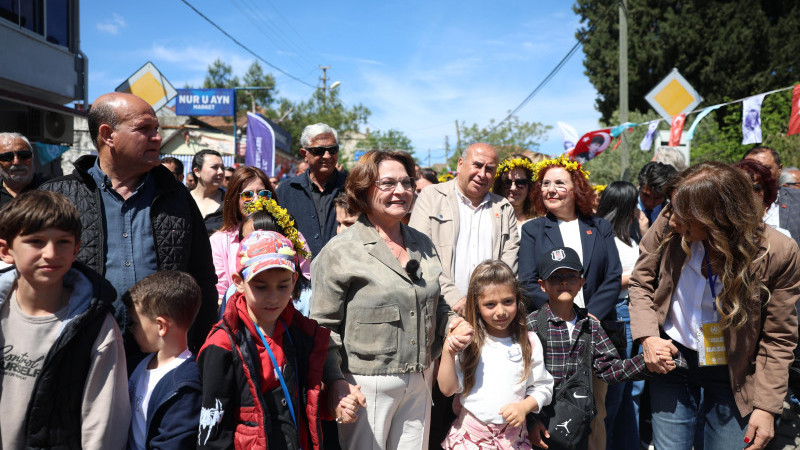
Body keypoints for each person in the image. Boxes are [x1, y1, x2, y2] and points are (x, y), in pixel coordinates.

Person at [629, 161, 800, 450]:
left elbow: (779, 338)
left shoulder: (778, 252)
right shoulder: (673, 220)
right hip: (672, 361)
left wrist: (767, 406)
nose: (672, 222)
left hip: (735, 374)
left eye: (684, 217)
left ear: (718, 218)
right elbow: (641, 281)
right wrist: (648, 337)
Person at [311, 149, 474, 449]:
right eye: (388, 183)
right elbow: (323, 327)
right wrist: (335, 381)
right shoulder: (340, 251)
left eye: (407, 183)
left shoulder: (422, 243)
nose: (400, 191)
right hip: (365, 384)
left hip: (420, 379)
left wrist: (452, 324)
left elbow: (436, 303)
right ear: (363, 189)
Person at [39, 92, 218, 355]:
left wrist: (202, 349)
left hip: (159, 359)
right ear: (108, 134)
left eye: (156, 128)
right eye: (144, 129)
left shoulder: (176, 197)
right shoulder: (59, 196)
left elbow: (202, 277)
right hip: (81, 354)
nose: (156, 137)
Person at [0, 190, 129, 449]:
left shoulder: (95, 326)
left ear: (76, 249)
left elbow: (103, 423)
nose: (50, 253)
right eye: (36, 241)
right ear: (6, 250)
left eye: (62, 242)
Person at [198, 231, 344, 449]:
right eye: (261, 286)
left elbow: (307, 400)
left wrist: (334, 401)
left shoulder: (301, 333)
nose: (273, 297)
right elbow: (213, 429)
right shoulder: (223, 345)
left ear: (295, 280)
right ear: (239, 282)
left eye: (283, 285)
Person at [518, 155, 622, 450]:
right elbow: (527, 280)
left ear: (576, 188)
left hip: (594, 331)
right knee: (550, 409)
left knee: (596, 412)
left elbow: (612, 276)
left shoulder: (599, 226)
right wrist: (563, 315)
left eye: (559, 183)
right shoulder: (534, 230)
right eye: (545, 184)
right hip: (550, 333)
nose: (550, 189)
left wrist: (589, 316)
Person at [527, 247, 675, 450]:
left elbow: (610, 369)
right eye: (555, 277)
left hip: (579, 428)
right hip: (540, 428)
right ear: (542, 285)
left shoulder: (591, 326)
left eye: (571, 276)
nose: (564, 282)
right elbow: (519, 380)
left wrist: (649, 361)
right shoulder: (531, 326)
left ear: (581, 282)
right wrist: (529, 421)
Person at [438, 260, 553, 449]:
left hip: (513, 441)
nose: (501, 311)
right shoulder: (469, 342)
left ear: (517, 298)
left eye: (508, 301)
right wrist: (448, 351)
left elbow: (543, 387)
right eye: (490, 304)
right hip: (470, 440)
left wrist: (524, 407)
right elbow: (447, 389)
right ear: (476, 306)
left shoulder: (529, 341)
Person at [409, 142, 519, 314]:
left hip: (489, 314)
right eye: (477, 165)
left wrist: (490, 302)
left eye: (489, 169)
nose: (482, 174)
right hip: (439, 310)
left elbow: (509, 262)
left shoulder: (503, 208)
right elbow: (418, 253)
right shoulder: (431, 197)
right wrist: (454, 298)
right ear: (460, 164)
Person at [124, 271, 202, 450]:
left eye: (135, 323)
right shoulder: (136, 365)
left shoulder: (185, 386)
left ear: (161, 326)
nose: (131, 329)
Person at [596, 181, 645, 450]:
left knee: (633, 391)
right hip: (617, 314)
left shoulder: (629, 233)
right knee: (615, 392)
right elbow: (606, 281)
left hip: (634, 312)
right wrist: (637, 276)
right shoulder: (605, 237)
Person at [277, 123, 347, 257]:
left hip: (344, 272)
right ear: (304, 154)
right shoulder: (286, 190)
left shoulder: (353, 187)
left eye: (332, 150)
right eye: (319, 151)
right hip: (299, 274)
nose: (327, 156)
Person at [209, 166, 277, 301]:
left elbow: (303, 282)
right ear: (234, 199)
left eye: (263, 193)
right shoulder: (219, 241)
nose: (256, 200)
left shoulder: (290, 234)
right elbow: (220, 293)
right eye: (247, 195)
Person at [743, 145, 800, 246]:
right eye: (751, 169)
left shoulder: (797, 200)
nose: (758, 175)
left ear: (779, 169)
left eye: (765, 168)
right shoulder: (731, 204)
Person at [732, 159, 790, 237]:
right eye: (741, 189)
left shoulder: (783, 239)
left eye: (756, 188)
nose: (749, 195)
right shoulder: (715, 236)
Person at [493, 155, 537, 233]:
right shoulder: (489, 216)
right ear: (499, 185)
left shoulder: (542, 219)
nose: (513, 188)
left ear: (530, 185)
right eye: (507, 182)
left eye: (520, 183)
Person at [0, 132, 45, 208]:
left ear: (32, 157)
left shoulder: (51, 190)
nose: (16, 162)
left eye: (24, 155)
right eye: (7, 156)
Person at [190, 149, 226, 235]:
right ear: (197, 172)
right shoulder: (181, 199)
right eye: (214, 167)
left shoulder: (230, 202)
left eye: (222, 168)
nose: (221, 172)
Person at [637, 161, 678, 226]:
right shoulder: (627, 210)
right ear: (639, 185)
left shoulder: (670, 214)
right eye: (646, 195)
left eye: (657, 198)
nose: (650, 203)